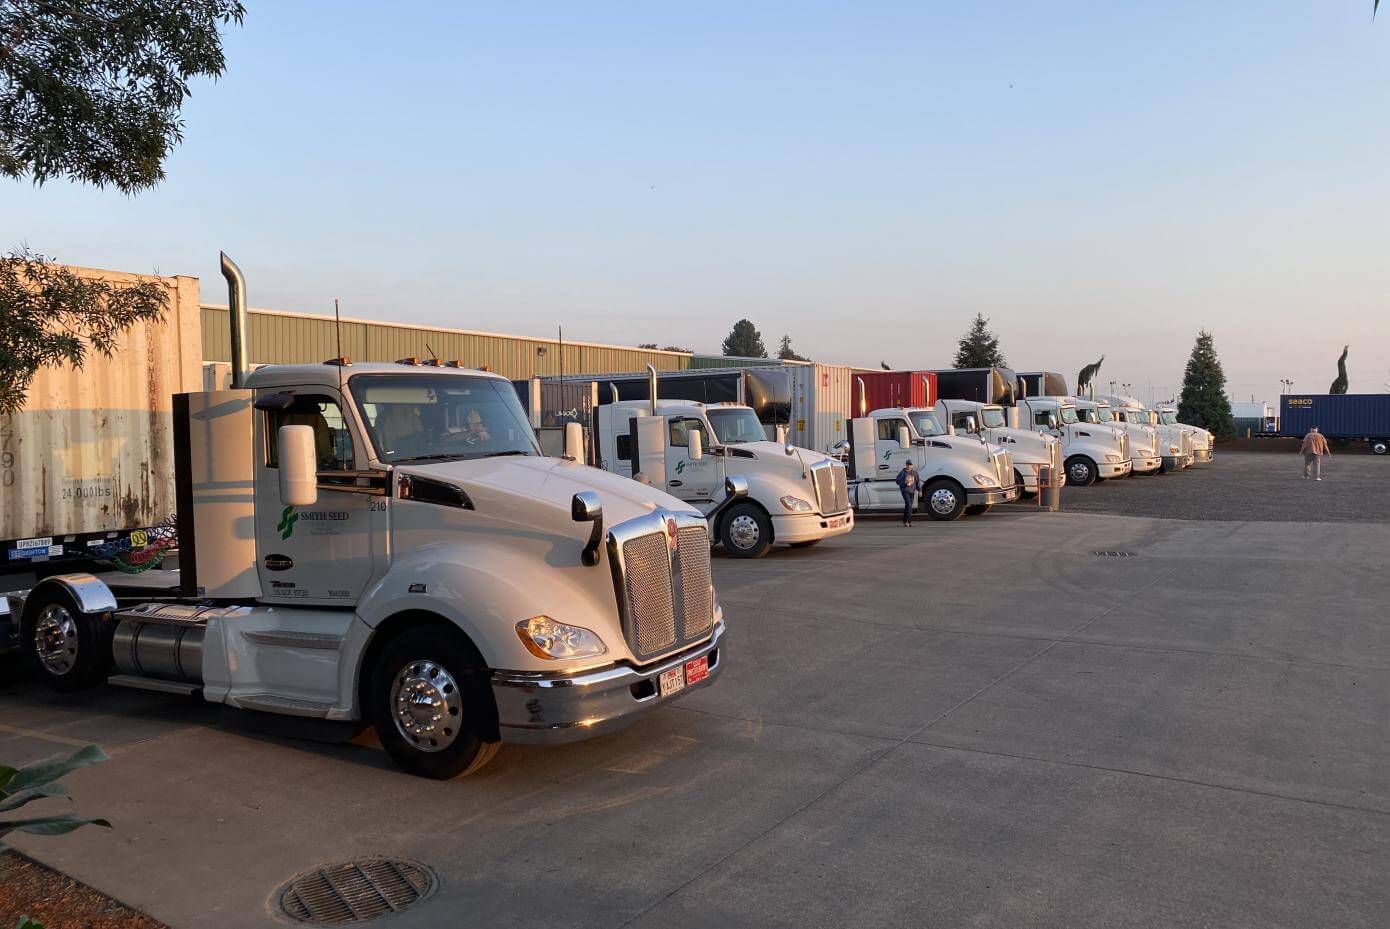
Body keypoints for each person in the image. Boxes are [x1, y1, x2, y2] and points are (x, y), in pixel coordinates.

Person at [895, 460, 920, 526]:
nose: (909, 466)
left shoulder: (914, 473)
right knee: (908, 504)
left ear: (912, 465)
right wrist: (905, 482)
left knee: (909, 506)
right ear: (906, 465)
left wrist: (920, 491)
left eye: (910, 465)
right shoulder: (902, 473)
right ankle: (909, 522)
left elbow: (917, 482)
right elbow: (897, 481)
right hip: (905, 490)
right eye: (907, 465)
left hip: (912, 491)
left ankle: (905, 521)